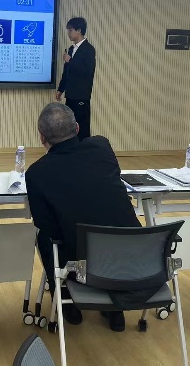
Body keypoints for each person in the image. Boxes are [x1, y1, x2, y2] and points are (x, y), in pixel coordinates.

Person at [26, 103, 140, 332]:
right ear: (77, 128)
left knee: (46, 239)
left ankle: (66, 298)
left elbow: (47, 226)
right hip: (132, 258)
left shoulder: (37, 173)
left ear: (42, 138)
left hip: (82, 262)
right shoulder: (101, 147)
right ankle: (114, 310)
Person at [56, 17, 96, 141]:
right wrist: (61, 89)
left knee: (82, 126)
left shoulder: (88, 49)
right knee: (70, 125)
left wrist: (71, 61)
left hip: (81, 95)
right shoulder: (71, 49)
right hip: (70, 95)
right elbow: (66, 72)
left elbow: (88, 71)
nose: (68, 33)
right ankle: (72, 149)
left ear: (79, 30)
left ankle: (84, 150)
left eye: (71, 30)